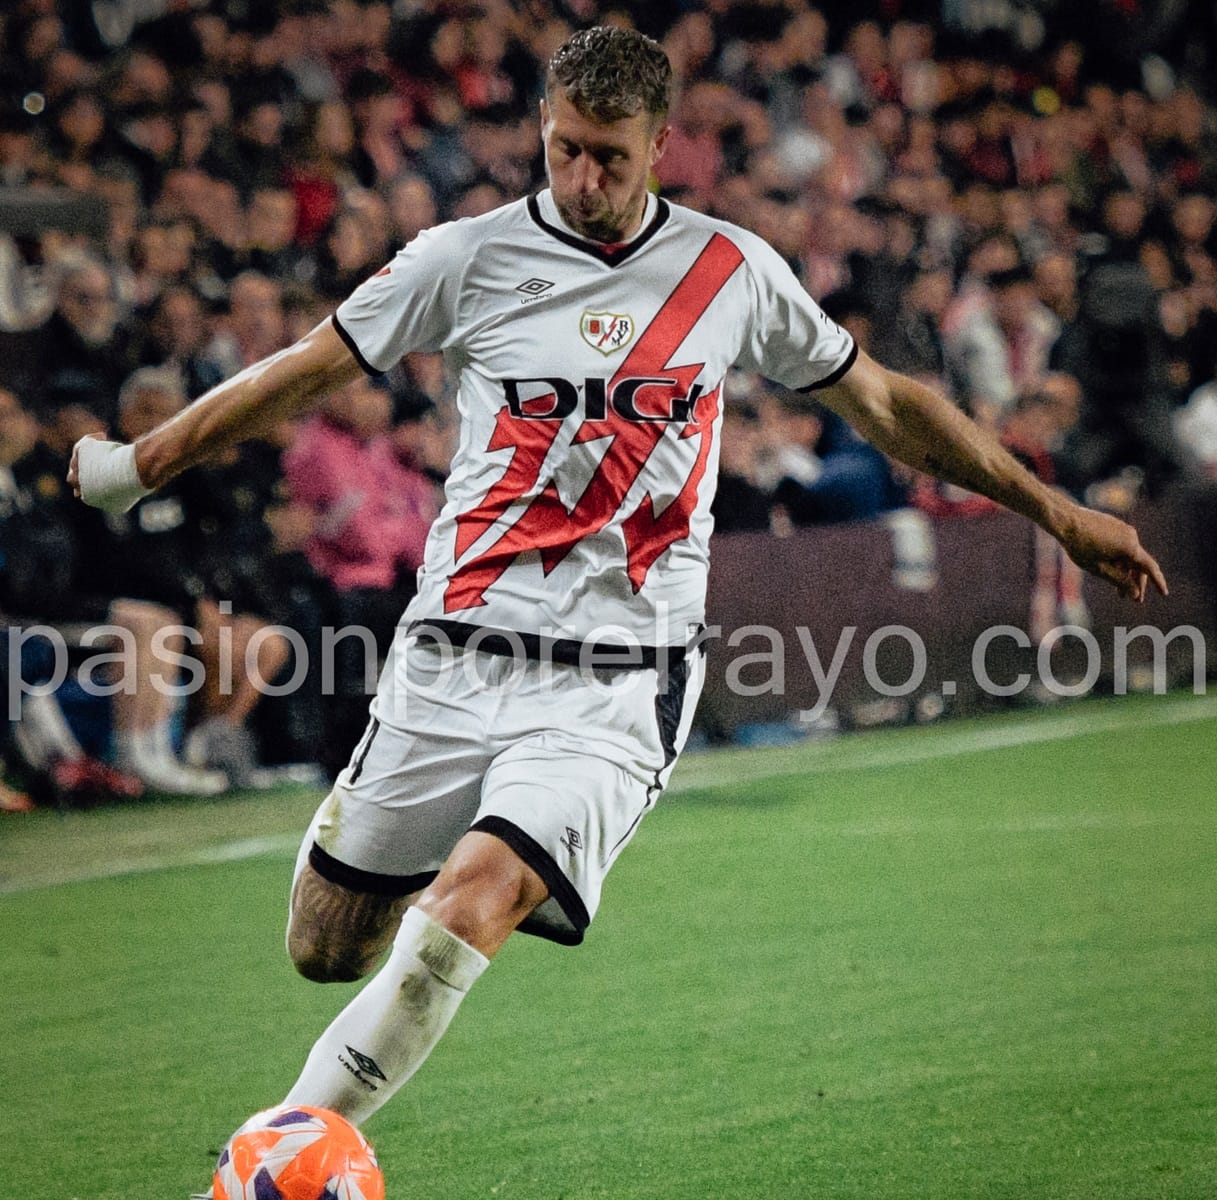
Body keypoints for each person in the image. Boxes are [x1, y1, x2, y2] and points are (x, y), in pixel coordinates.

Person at [69, 27, 1167, 1193]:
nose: (583, 179)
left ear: (659, 146)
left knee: (473, 902)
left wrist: (1053, 511)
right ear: (541, 130)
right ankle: (329, 1044)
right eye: (563, 150)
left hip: (614, 679)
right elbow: (307, 366)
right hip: (450, 655)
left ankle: (272, 1167)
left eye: (609, 157)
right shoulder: (465, 257)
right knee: (324, 947)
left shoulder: (727, 270)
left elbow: (887, 406)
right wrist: (144, 460)